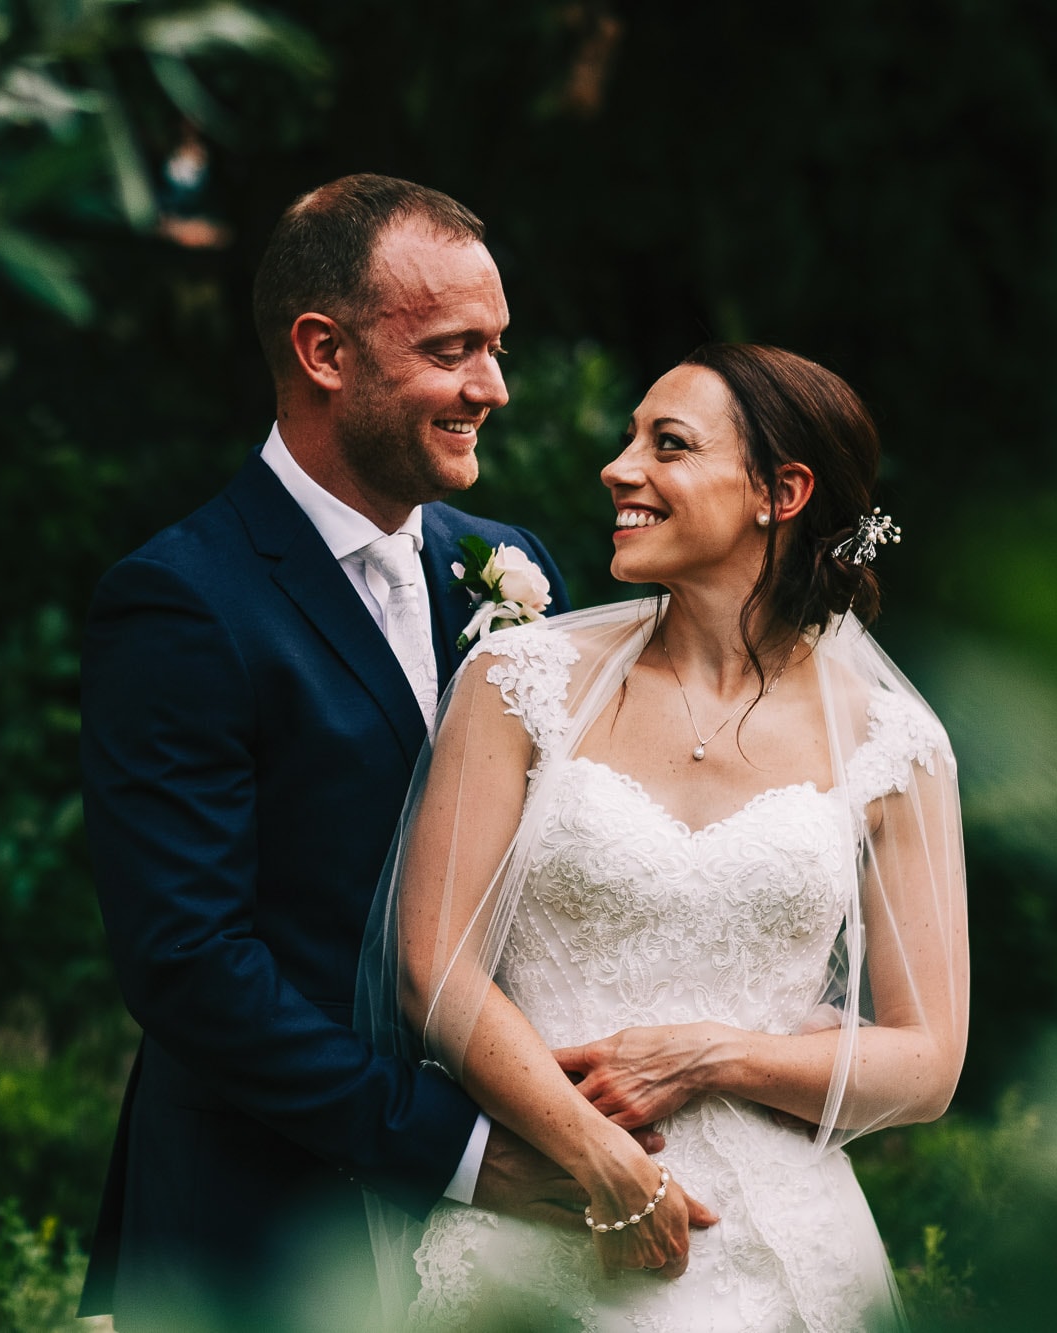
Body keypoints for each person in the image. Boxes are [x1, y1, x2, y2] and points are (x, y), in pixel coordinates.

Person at [79, 175, 670, 1331]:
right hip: (262, 1223)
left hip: (510, 1222)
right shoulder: (180, 603)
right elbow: (189, 963)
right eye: (453, 350)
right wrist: (461, 1149)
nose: (491, 389)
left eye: (497, 348)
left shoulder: (504, 564)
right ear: (322, 351)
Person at [358, 343, 971, 1330]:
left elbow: (926, 1060)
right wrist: (598, 1160)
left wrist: (712, 1055)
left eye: (668, 444)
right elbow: (432, 966)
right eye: (628, 436)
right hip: (544, 1218)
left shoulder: (893, 745)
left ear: (782, 490)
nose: (618, 466)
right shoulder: (517, 682)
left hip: (778, 1256)